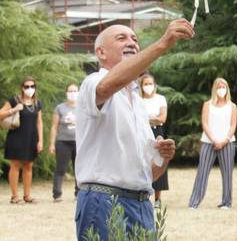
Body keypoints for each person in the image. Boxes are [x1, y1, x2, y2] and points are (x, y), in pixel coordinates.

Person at [75, 19, 194, 240]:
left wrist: (163, 158)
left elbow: (149, 174)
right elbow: (106, 87)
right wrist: (162, 44)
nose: (131, 43)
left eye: (135, 39)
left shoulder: (139, 104)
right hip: (104, 201)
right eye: (121, 38)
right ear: (101, 52)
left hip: (142, 204)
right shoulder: (93, 82)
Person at [188, 77, 237, 210]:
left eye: (224, 87)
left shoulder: (232, 106)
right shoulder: (207, 105)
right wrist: (214, 139)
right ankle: (194, 202)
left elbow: (233, 125)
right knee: (202, 172)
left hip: (227, 143)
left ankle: (226, 202)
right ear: (214, 89)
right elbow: (205, 123)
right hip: (208, 142)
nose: (221, 90)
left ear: (227, 89)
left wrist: (225, 140)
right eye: (219, 87)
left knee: (227, 173)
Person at [0, 76, 44, 204]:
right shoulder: (14, 100)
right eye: (27, 86)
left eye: (32, 86)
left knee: (29, 165)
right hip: (16, 137)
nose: (29, 89)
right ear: (22, 87)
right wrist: (13, 110)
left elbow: (39, 122)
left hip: (31, 138)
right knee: (15, 165)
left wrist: (40, 141)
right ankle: (14, 196)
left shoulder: (37, 103)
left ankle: (27, 195)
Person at [138, 73, 169, 208]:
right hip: (142, 133)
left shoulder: (160, 99)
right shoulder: (138, 100)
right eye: (146, 84)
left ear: (155, 85)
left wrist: (148, 118)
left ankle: (158, 197)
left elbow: (162, 118)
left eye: (150, 84)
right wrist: (152, 118)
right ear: (141, 86)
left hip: (157, 132)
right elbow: (138, 118)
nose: (148, 87)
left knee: (158, 160)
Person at [49, 83, 79, 202]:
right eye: (70, 91)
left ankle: (79, 193)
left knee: (79, 169)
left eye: (75, 91)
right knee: (60, 169)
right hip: (63, 142)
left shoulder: (83, 107)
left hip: (79, 142)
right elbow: (54, 127)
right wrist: (51, 143)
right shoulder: (60, 107)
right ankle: (57, 194)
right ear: (66, 93)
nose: (72, 93)